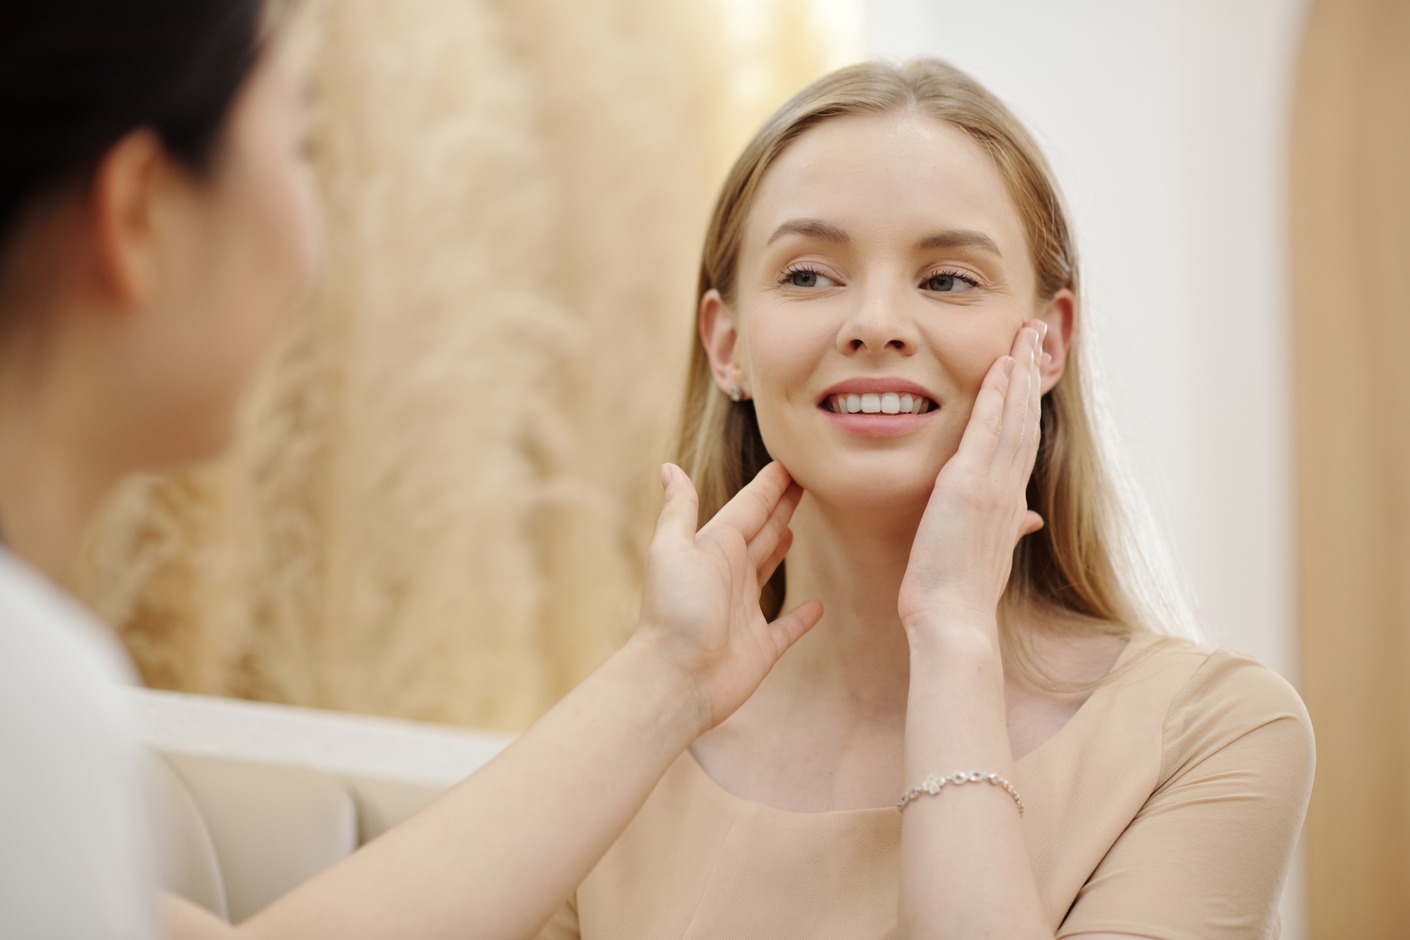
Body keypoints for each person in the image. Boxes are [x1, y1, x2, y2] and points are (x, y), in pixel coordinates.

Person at [0, 2, 822, 939]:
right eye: (301, 145)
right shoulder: (33, 713)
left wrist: (673, 668)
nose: (317, 248)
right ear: (140, 210)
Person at [538, 58, 1316, 939]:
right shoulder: (624, 741)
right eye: (807, 275)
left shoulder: (1210, 733)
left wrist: (952, 629)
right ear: (728, 346)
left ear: (1050, 342)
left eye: (947, 279)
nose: (875, 321)